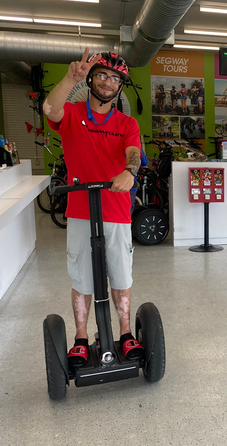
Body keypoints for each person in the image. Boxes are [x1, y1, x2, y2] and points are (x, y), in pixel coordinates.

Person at [43, 48, 144, 366]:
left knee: (120, 275)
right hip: (80, 210)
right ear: (90, 78)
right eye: (102, 75)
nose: (107, 82)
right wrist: (68, 77)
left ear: (120, 86)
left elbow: (133, 152)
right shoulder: (72, 114)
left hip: (115, 210)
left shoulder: (127, 123)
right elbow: (49, 107)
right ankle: (81, 337)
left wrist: (129, 171)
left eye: (115, 78)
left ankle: (126, 333)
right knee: (82, 279)